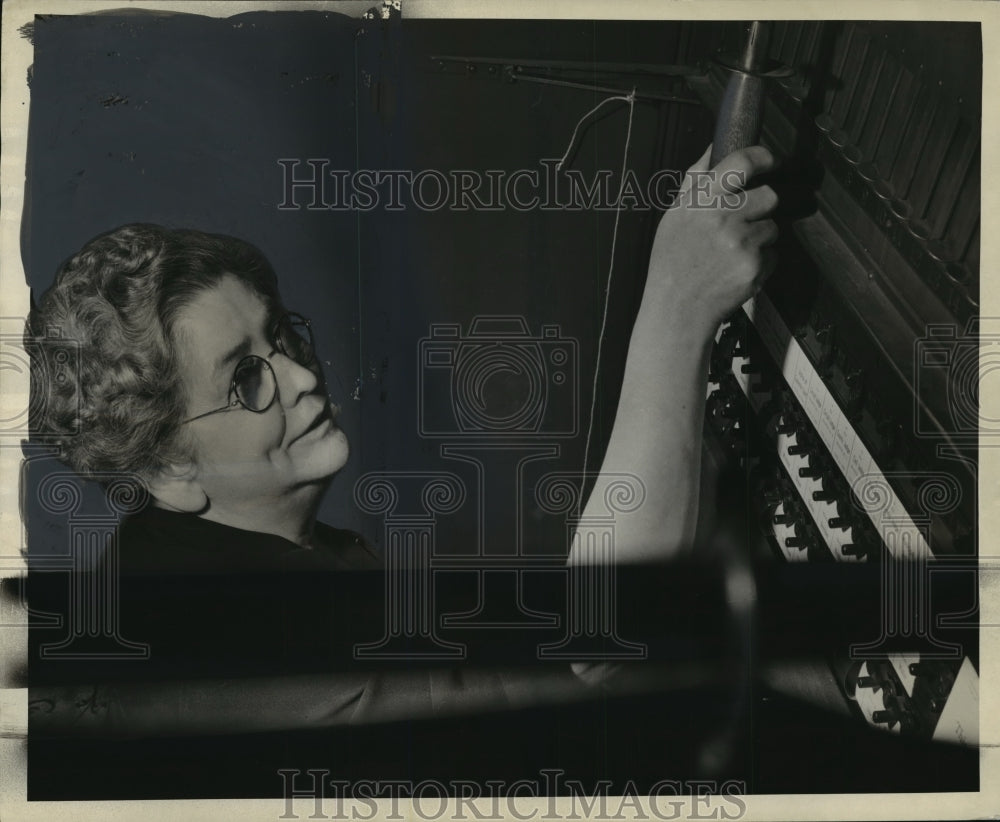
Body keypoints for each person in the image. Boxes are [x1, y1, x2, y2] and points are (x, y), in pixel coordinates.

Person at [26, 144, 777, 736]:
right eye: (245, 379)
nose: (299, 376)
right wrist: (679, 304)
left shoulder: (180, 552)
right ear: (167, 469)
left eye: (280, 336)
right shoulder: (263, 660)